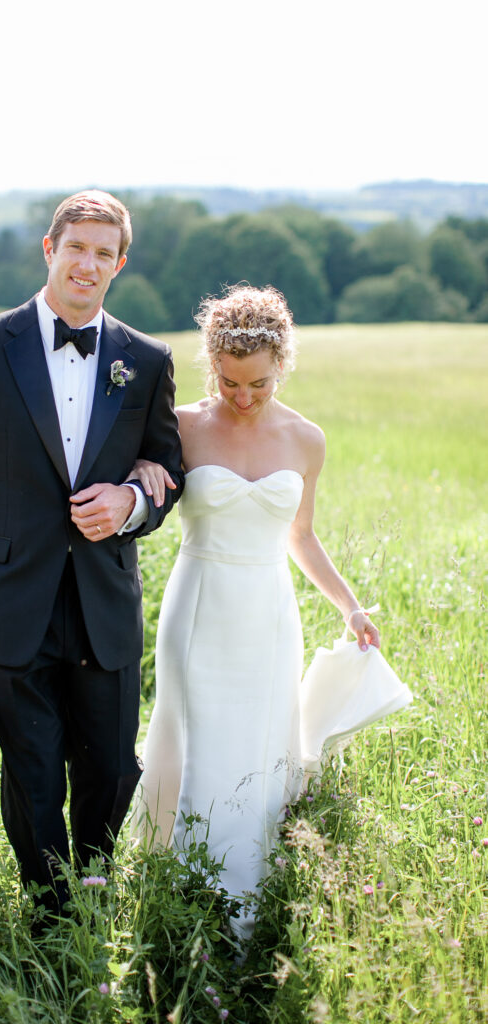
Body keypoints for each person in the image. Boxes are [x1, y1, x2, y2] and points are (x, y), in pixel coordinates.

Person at [0, 190, 184, 912]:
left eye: (104, 253)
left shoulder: (146, 361)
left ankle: (93, 886)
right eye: (76, 247)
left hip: (103, 601)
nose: (87, 264)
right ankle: (49, 910)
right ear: (48, 249)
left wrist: (131, 504)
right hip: (8, 600)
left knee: (109, 768)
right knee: (31, 771)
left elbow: (166, 470)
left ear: (118, 264)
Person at [131, 284, 380, 942]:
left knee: (259, 743)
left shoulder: (306, 439)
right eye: (228, 381)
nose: (242, 398)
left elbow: (300, 535)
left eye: (258, 384)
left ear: (282, 366)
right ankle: (178, 894)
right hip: (197, 604)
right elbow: (142, 495)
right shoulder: (179, 426)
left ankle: (246, 905)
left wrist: (350, 607)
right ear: (210, 364)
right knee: (194, 737)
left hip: (268, 614)